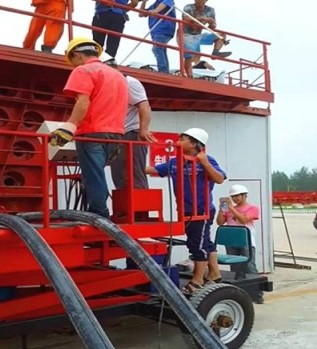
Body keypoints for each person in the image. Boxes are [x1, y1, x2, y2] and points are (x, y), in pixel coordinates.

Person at [50, 37, 128, 218]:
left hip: (92, 132)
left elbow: (83, 102)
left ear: (76, 55)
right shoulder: (117, 75)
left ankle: (99, 216)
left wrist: (70, 126)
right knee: (97, 173)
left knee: (93, 176)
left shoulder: (83, 71)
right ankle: (100, 212)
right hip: (116, 135)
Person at [145, 128, 226, 295]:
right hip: (185, 210)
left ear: (194, 143)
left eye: (183, 138)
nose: (178, 141)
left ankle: (197, 280)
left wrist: (204, 163)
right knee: (202, 241)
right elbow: (153, 170)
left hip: (201, 211)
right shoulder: (175, 162)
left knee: (198, 245)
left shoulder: (207, 160)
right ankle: (215, 273)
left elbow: (219, 179)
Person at [104, 60, 155, 194]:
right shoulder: (108, 84)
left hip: (131, 133)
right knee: (119, 175)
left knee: (133, 175)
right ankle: (124, 211)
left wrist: (143, 130)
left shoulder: (129, 82)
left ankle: (138, 213)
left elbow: (144, 106)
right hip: (116, 135)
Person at [216, 184, 264, 303]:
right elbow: (220, 222)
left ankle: (256, 293)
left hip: (246, 241)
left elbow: (244, 220)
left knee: (249, 266)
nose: (235, 198)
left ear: (244, 195)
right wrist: (221, 210)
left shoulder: (252, 208)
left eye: (238, 196)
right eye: (233, 196)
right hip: (231, 241)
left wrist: (231, 208)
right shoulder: (229, 209)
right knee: (236, 268)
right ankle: (240, 292)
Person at [180, 0, 230, 77]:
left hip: (198, 35)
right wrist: (203, 18)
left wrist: (211, 22)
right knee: (189, 56)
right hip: (186, 35)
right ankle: (188, 76)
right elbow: (185, 19)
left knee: (222, 35)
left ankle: (215, 52)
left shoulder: (210, 10)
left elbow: (212, 27)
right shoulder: (188, 7)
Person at [139, 0, 176, 73]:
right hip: (156, 31)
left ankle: (163, 71)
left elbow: (158, 9)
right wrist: (144, 2)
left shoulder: (167, 1)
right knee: (161, 49)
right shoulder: (154, 4)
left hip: (164, 29)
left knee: (157, 48)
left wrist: (155, 11)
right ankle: (165, 71)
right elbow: (141, 14)